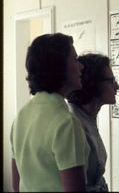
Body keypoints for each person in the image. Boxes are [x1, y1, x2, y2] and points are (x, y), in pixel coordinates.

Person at [10, 33, 90, 192]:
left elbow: (17, 183)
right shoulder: (65, 122)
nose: (81, 66)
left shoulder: (22, 115)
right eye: (75, 60)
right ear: (58, 66)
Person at [67, 53, 119, 192]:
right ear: (93, 83)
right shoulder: (73, 122)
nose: (117, 86)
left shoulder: (88, 118)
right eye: (111, 81)